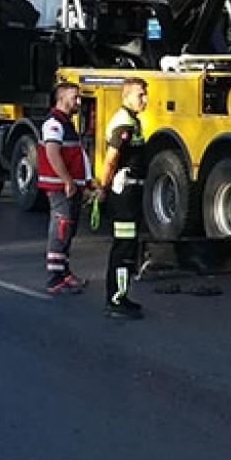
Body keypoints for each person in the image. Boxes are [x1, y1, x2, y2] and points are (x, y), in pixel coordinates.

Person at [94, 77, 149, 320]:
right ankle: (115, 300)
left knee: (128, 246)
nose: (144, 99)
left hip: (131, 193)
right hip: (124, 196)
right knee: (123, 248)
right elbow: (110, 160)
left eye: (145, 94)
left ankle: (121, 296)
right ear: (126, 97)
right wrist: (102, 189)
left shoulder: (132, 121)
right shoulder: (124, 124)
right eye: (140, 95)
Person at [37, 81, 92, 294]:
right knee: (61, 226)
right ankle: (55, 278)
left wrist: (84, 183)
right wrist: (68, 180)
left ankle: (65, 272)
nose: (78, 101)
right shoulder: (54, 123)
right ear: (61, 99)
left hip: (69, 186)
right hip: (61, 187)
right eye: (74, 97)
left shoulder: (65, 123)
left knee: (68, 228)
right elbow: (52, 152)